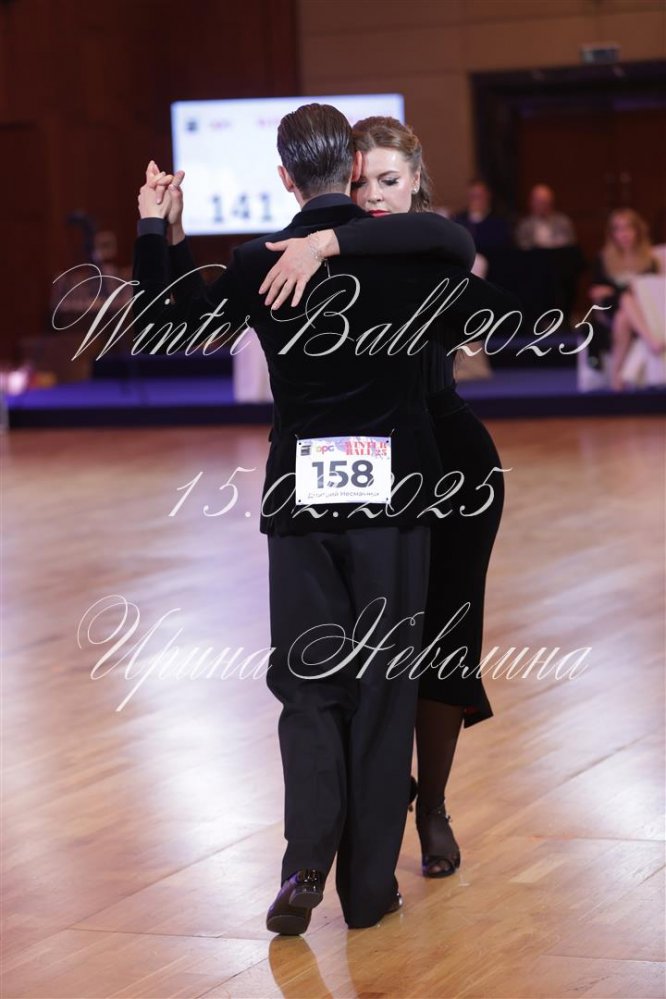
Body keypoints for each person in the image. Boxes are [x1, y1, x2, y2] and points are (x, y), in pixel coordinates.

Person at [132, 105, 516, 933]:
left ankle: (305, 861)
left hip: (300, 510)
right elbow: (490, 297)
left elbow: (165, 325)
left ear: (283, 177)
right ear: (351, 171)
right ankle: (368, 890)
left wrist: (159, 231)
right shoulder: (412, 259)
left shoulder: (259, 261)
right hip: (396, 508)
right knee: (382, 694)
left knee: (307, 689)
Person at [258, 115, 508, 880]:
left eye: (391, 182)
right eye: (362, 182)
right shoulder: (316, 250)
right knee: (363, 649)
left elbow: (452, 242)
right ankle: (373, 795)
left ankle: (431, 805)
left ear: (417, 181)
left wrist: (327, 242)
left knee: (445, 639)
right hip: (369, 471)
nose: (373, 196)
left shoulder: (426, 246)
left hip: (451, 465)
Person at [587, 207, 662, 390]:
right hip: (608, 310)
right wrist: (621, 291)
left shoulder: (650, 260)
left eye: (628, 228)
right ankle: (650, 340)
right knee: (625, 302)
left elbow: (651, 291)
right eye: (618, 229)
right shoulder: (603, 259)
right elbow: (596, 292)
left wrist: (613, 290)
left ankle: (616, 374)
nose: (624, 234)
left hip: (640, 313)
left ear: (637, 231)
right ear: (612, 234)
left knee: (624, 315)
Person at [452, 179, 512, 256]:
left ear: (488, 196)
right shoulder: (459, 220)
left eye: (479, 196)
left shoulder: (498, 222)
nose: (475, 201)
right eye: (472, 196)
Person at [515, 184, 576, 250]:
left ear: (551, 202)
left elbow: (571, 244)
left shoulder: (563, 222)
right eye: (538, 202)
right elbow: (522, 246)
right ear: (531, 203)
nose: (542, 206)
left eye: (545, 202)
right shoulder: (524, 225)